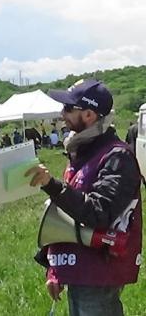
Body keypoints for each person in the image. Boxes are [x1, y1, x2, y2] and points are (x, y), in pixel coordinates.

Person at [26, 79, 142, 316]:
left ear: (89, 114)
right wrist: (55, 269)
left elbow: (98, 213)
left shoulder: (117, 157)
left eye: (69, 109)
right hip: (80, 270)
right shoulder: (82, 154)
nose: (62, 114)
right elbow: (65, 218)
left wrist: (52, 185)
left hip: (99, 274)